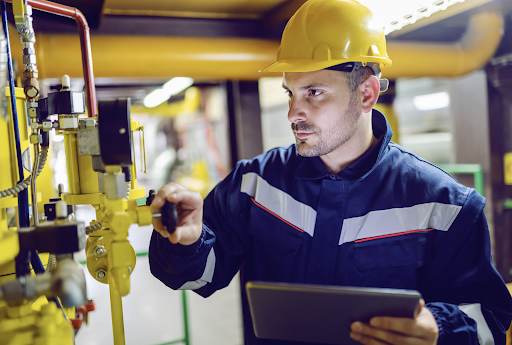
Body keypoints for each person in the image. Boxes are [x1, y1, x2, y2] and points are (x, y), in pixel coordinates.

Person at [148, 0, 512, 344]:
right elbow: (198, 277)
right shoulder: (254, 183)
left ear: (367, 94)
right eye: (290, 92)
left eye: (314, 92)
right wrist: (189, 241)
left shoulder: (446, 206)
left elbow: (490, 323)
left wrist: (438, 330)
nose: (293, 113)